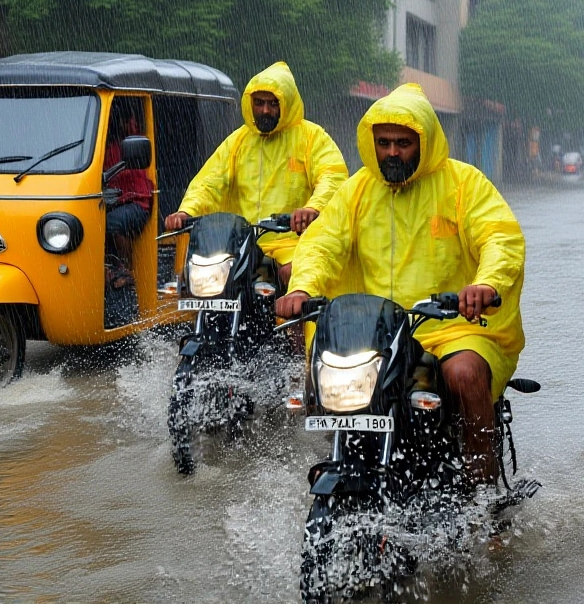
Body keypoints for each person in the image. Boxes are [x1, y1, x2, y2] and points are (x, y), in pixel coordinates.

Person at [276, 83, 526, 487]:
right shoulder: (356, 190)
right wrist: (301, 288)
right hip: (376, 331)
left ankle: (483, 496)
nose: (392, 152)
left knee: (464, 375)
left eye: (403, 143)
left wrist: (485, 285)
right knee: (320, 385)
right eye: (384, 142)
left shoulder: (464, 184)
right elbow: (321, 243)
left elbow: (500, 239)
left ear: (424, 141)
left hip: (452, 329)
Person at [163, 61, 347, 285]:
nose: (265, 110)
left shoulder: (312, 138)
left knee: (291, 275)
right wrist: (186, 212)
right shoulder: (238, 141)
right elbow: (209, 183)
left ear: (287, 103)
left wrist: (312, 209)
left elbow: (333, 177)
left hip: (292, 243)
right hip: (240, 244)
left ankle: (294, 321)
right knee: (193, 280)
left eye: (273, 103)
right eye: (259, 103)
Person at [103, 101, 154, 289]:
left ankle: (123, 268)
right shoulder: (106, 145)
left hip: (137, 204)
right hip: (115, 202)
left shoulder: (132, 142)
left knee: (111, 224)